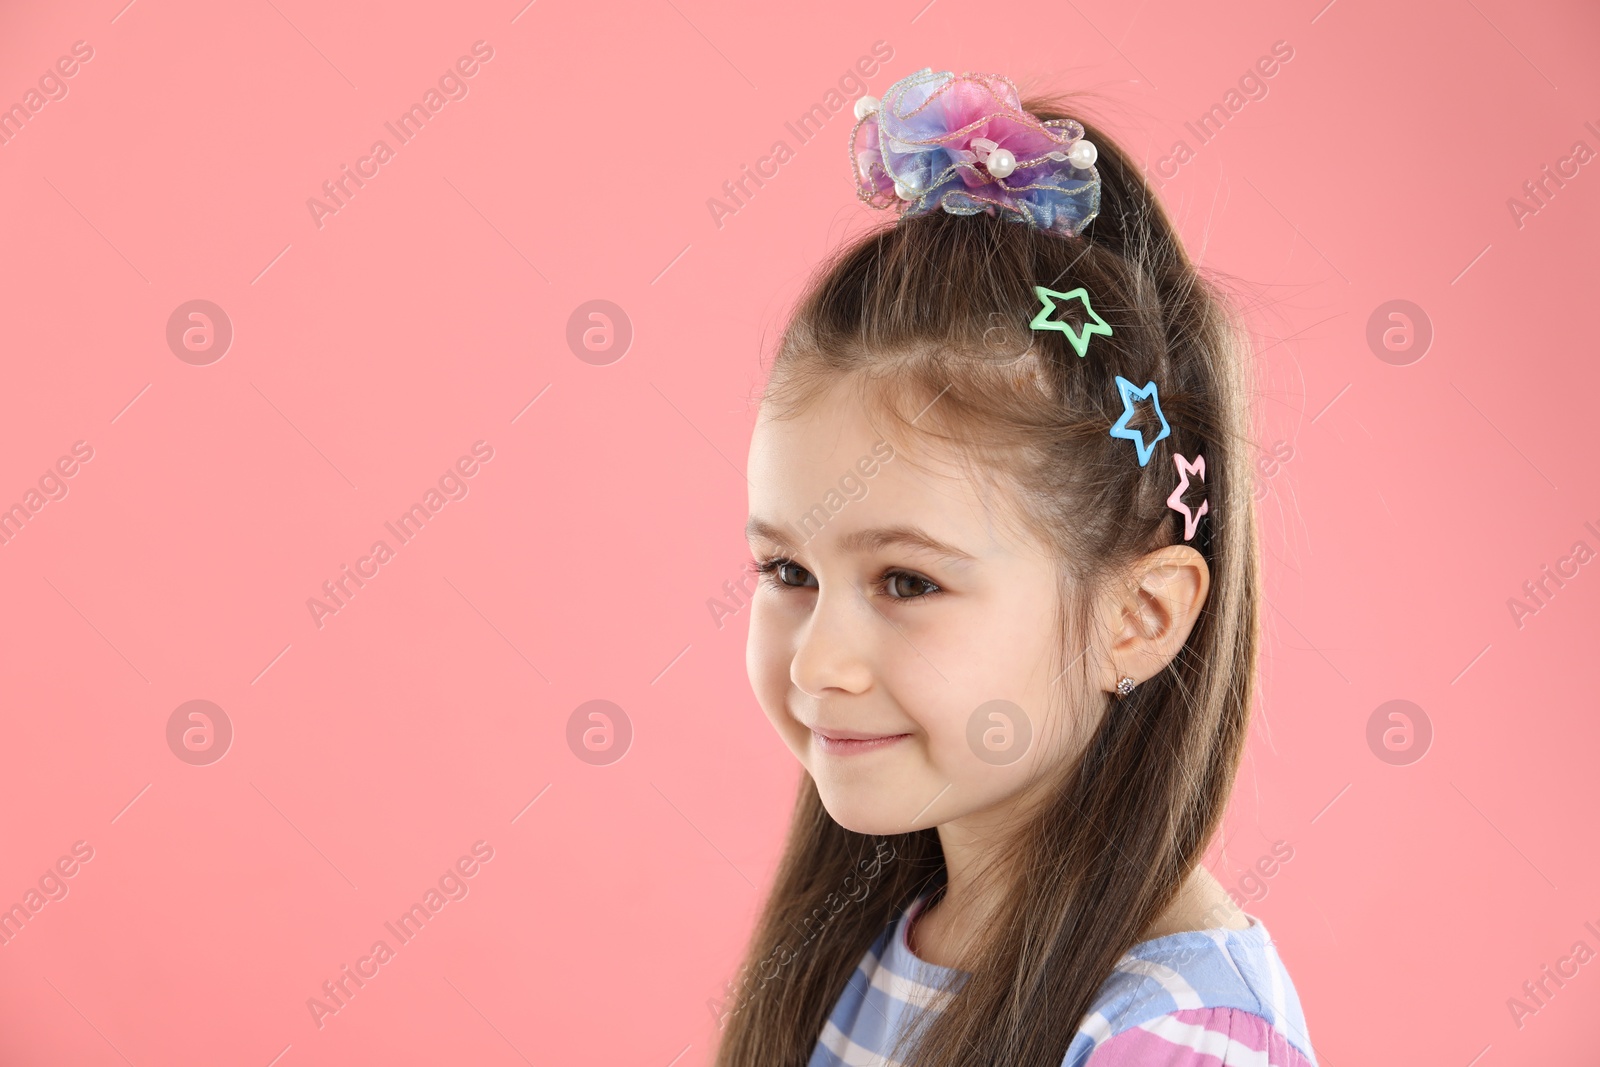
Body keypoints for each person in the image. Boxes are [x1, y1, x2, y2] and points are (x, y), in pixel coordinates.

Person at [716, 67, 1318, 1067]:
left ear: (1137, 615)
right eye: (786, 569)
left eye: (907, 581)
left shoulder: (1178, 1039)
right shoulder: (855, 959)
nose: (819, 662)